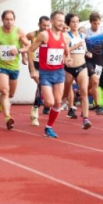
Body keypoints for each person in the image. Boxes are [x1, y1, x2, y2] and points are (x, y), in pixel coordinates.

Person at [29, 10, 71, 138]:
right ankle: (41, 95)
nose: (61, 23)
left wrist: (68, 58)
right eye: (59, 20)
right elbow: (30, 51)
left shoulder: (65, 36)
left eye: (63, 21)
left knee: (58, 103)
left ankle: (48, 127)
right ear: (52, 21)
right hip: (45, 73)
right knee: (49, 103)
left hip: (59, 72)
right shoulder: (44, 35)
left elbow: (66, 52)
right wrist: (32, 69)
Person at [0, 10, 30, 129]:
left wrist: (19, 51)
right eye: (6, 19)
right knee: (5, 90)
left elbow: (29, 46)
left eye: (11, 19)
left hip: (13, 66)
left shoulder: (18, 31)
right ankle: (7, 117)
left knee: (11, 94)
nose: (9, 22)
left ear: (14, 20)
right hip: (0, 65)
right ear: (2, 20)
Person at [63, 13, 91, 129]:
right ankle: (67, 105)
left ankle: (85, 119)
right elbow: (65, 50)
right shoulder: (66, 36)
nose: (75, 24)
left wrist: (87, 53)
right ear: (69, 23)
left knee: (84, 92)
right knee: (64, 93)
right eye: (73, 22)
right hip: (69, 68)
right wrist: (76, 45)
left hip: (82, 66)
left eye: (77, 21)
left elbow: (84, 48)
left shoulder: (82, 35)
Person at [85, 12, 103, 114]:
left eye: (98, 23)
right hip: (89, 60)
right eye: (94, 23)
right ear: (90, 22)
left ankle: (80, 94)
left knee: (92, 85)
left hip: (99, 61)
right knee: (95, 81)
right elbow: (81, 43)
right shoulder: (85, 31)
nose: (96, 26)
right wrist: (86, 52)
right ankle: (98, 106)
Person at [26, 16, 51, 126]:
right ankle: (35, 111)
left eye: (47, 25)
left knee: (42, 86)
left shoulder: (50, 35)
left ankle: (36, 107)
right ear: (39, 24)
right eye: (43, 25)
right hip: (34, 64)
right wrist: (24, 55)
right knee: (41, 85)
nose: (46, 27)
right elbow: (23, 41)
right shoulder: (32, 35)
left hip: (44, 64)